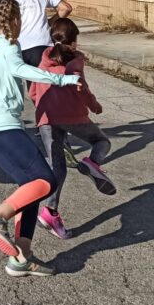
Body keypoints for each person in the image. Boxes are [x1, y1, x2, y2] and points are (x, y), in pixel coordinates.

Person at [0, 0, 82, 278]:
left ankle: (21, 258)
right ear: (15, 20)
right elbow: (20, 70)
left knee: (30, 187)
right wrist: (62, 79)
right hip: (3, 125)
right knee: (46, 181)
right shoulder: (10, 46)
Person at [28, 17, 116, 238]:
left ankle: (49, 212)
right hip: (72, 116)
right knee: (101, 141)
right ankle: (92, 163)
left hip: (46, 117)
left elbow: (33, 91)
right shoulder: (76, 61)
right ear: (74, 41)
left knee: (57, 168)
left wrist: (42, 107)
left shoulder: (43, 60)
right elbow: (81, 88)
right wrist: (94, 106)